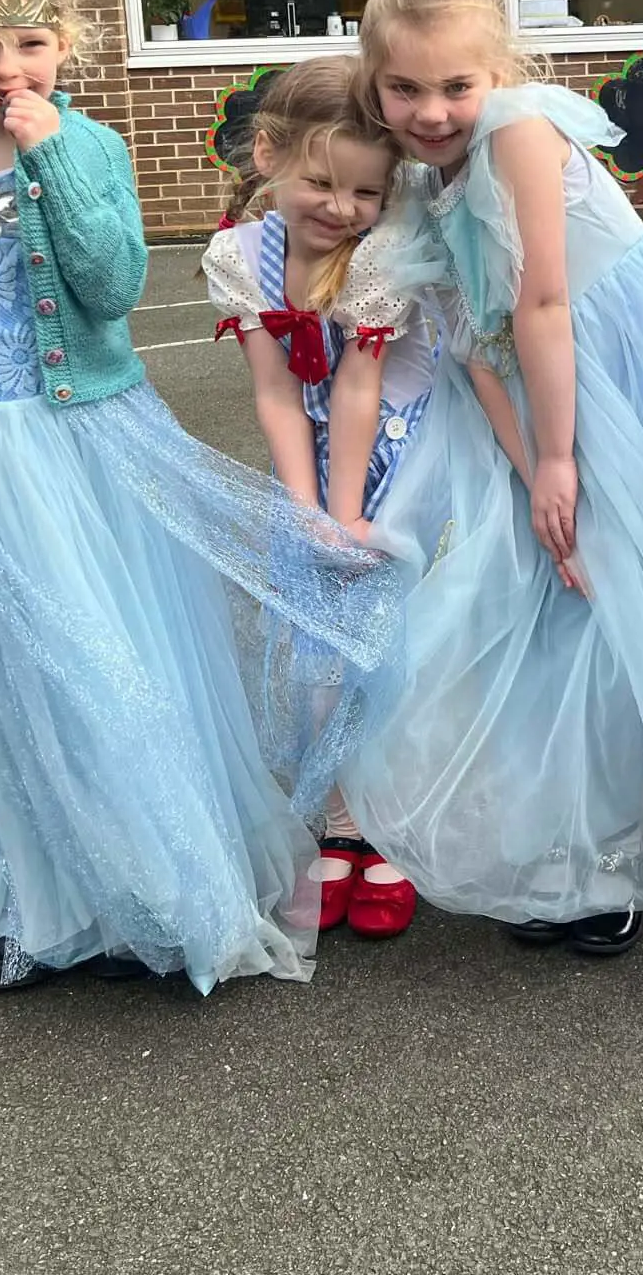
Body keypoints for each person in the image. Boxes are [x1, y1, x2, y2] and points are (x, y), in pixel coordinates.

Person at [0, 0, 390, 995]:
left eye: (30, 42)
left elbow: (108, 287)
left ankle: (155, 886)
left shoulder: (86, 145)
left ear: (68, 43)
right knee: (8, 674)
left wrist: (49, 156)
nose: (5, 69)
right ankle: (46, 897)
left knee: (101, 660)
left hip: (78, 437)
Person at [320, 0, 643, 958]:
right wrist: (526, 461)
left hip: (609, 361)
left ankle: (605, 846)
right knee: (548, 581)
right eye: (405, 89)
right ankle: (570, 831)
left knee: (607, 580)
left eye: (457, 85)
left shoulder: (521, 131)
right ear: (375, 83)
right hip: (530, 379)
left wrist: (562, 459)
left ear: (497, 72)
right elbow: (475, 339)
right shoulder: (416, 184)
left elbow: (540, 301)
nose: (434, 110)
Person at [203, 59, 433, 940]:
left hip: (393, 454)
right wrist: (304, 514)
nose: (341, 208)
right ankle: (341, 825)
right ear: (268, 155)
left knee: (397, 641)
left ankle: (392, 828)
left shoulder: (378, 256)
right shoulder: (239, 255)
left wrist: (345, 515)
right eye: (321, 182)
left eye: (366, 192)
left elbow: (360, 389)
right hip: (313, 457)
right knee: (316, 652)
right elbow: (274, 392)